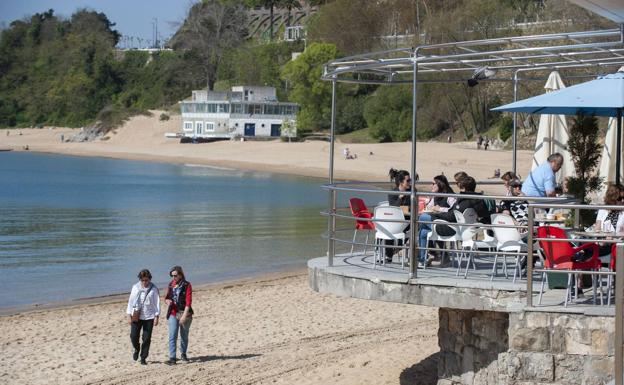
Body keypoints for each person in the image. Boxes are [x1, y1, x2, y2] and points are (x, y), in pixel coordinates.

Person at [418, 176, 490, 267]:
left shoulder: (463, 201)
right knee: (424, 232)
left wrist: (436, 214)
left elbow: (451, 216)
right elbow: (485, 215)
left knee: (423, 218)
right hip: (466, 231)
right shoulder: (478, 200)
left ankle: (425, 258)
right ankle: (423, 259)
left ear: (463, 187)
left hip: (453, 230)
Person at [126, 269, 160, 365]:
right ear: (140, 279)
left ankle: (143, 357)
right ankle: (136, 349)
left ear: (149, 279)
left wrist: (157, 316)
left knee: (146, 338)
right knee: (133, 336)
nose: (145, 282)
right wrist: (129, 315)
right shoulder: (135, 287)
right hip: (136, 315)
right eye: (143, 280)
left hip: (149, 317)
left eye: (146, 280)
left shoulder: (154, 289)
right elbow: (130, 302)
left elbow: (156, 303)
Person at [165, 266, 194, 365]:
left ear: (180, 275)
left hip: (184, 312)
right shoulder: (171, 284)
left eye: (175, 275)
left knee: (184, 335)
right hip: (173, 313)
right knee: (172, 335)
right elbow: (167, 297)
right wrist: (167, 301)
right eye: (172, 276)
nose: (173, 278)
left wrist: (184, 316)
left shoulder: (187, 285)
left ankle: (183, 354)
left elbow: (188, 302)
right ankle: (172, 358)